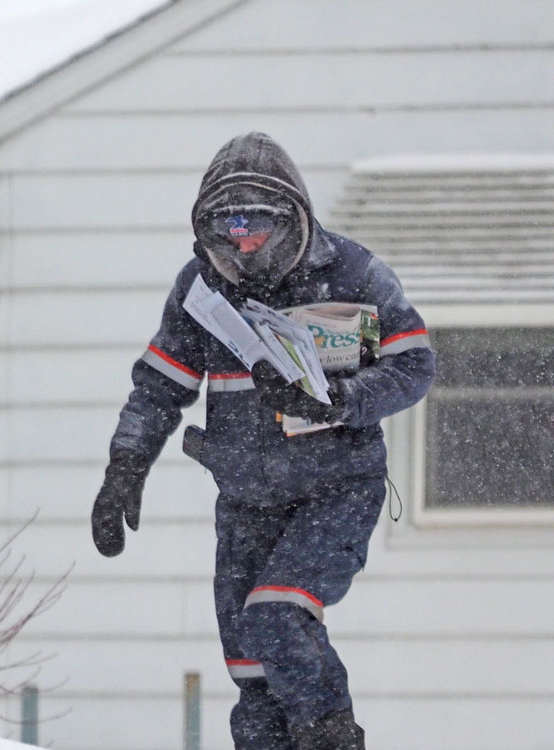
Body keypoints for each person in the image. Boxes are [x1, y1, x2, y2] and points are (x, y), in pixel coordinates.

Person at [90, 132, 435, 750]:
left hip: (338, 489)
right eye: (227, 235)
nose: (243, 249)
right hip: (246, 497)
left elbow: (414, 368)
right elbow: (159, 387)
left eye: (258, 230)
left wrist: (339, 400)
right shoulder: (201, 291)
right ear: (205, 236)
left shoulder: (354, 274)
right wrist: (127, 463)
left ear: (295, 218)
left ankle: (332, 737)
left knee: (277, 618)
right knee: (252, 669)